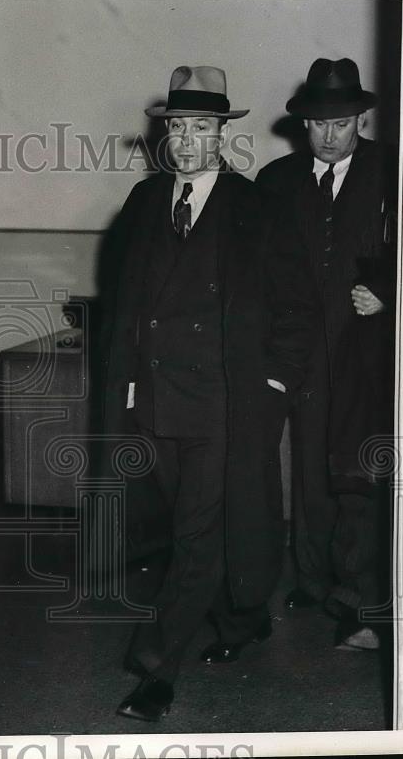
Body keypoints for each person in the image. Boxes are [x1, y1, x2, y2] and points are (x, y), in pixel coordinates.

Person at [100, 66, 315, 722]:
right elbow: (126, 301)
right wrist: (129, 381)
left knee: (196, 532)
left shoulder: (254, 206)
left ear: (222, 132)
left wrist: (274, 379)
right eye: (177, 128)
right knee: (183, 525)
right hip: (158, 398)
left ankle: (155, 669)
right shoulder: (143, 203)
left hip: (226, 400)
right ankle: (242, 618)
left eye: (201, 127)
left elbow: (296, 302)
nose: (187, 140)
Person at [256, 58, 397, 650]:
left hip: (367, 349)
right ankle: (313, 579)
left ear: (360, 118)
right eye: (318, 124)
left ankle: (357, 596)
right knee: (311, 468)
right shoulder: (275, 181)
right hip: (303, 352)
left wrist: (387, 293)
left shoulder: (393, 170)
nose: (330, 135)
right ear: (303, 124)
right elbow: (258, 270)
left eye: (342, 123)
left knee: (359, 473)